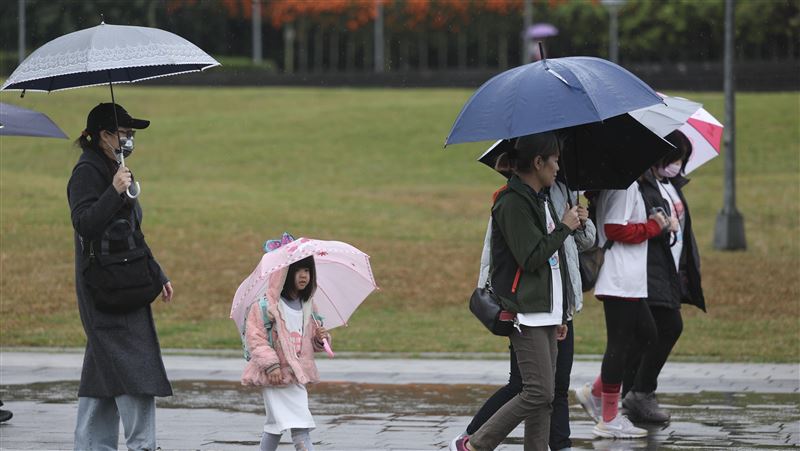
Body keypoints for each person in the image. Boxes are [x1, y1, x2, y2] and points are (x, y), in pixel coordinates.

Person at [452, 165, 596, 450]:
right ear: (538, 161)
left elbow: (571, 250)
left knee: (550, 390)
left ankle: (555, 445)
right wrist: (564, 226)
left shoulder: (560, 191)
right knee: (535, 390)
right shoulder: (513, 201)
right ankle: (472, 443)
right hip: (526, 306)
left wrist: (581, 221)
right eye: (554, 159)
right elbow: (530, 255)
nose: (558, 166)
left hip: (553, 304)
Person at [68, 103, 174, 450]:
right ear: (104, 135)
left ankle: (91, 446)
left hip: (127, 281)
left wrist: (156, 272)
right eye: (124, 133)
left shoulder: (117, 167)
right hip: (105, 288)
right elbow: (84, 224)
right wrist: (113, 191)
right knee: (133, 367)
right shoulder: (87, 171)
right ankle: (142, 445)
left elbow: (131, 230)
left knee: (105, 367)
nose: (129, 139)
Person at [574, 165, 675, 439]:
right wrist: (653, 227)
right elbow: (614, 228)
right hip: (619, 278)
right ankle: (608, 418)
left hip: (629, 279)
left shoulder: (628, 185)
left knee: (647, 335)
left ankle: (595, 392)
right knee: (619, 346)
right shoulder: (625, 187)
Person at [620, 130, 706, 423]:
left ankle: (630, 395)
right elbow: (634, 223)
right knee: (667, 326)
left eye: (683, 159)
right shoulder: (642, 186)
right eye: (675, 158)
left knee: (644, 334)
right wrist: (659, 225)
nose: (678, 165)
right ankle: (639, 392)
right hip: (649, 268)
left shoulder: (670, 184)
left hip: (670, 268)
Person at [241, 255, 331, 451]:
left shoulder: (309, 306)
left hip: (295, 376)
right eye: (297, 270)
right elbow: (255, 339)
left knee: (275, 427)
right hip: (275, 375)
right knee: (301, 426)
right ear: (283, 274)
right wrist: (271, 365)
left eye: (307, 270)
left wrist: (319, 338)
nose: (303, 275)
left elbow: (310, 344)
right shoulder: (265, 306)